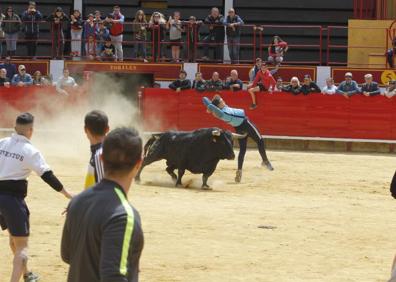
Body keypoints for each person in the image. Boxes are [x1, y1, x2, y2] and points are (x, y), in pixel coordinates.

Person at [61, 127, 144, 282]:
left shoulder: (77, 201)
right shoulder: (123, 215)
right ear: (138, 164)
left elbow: (67, 255)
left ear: (101, 159)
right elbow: (113, 276)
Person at [0, 113, 73, 282]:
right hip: (11, 201)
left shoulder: (1, 143)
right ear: (31, 131)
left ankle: (26, 274)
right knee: (22, 248)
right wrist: (67, 193)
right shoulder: (30, 151)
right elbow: (47, 175)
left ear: (15, 128)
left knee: (14, 239)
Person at [203, 95, 274, 183]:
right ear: (218, 106)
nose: (223, 101)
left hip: (238, 128)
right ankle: (265, 161)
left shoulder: (222, 110)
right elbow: (209, 104)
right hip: (246, 124)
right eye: (221, 101)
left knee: (242, 150)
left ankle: (239, 170)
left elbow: (205, 99)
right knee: (260, 141)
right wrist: (210, 108)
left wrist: (210, 107)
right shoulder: (221, 113)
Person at [83, 110, 109, 189]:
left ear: (85, 130)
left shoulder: (100, 155)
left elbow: (104, 190)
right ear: (107, 129)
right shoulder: (103, 151)